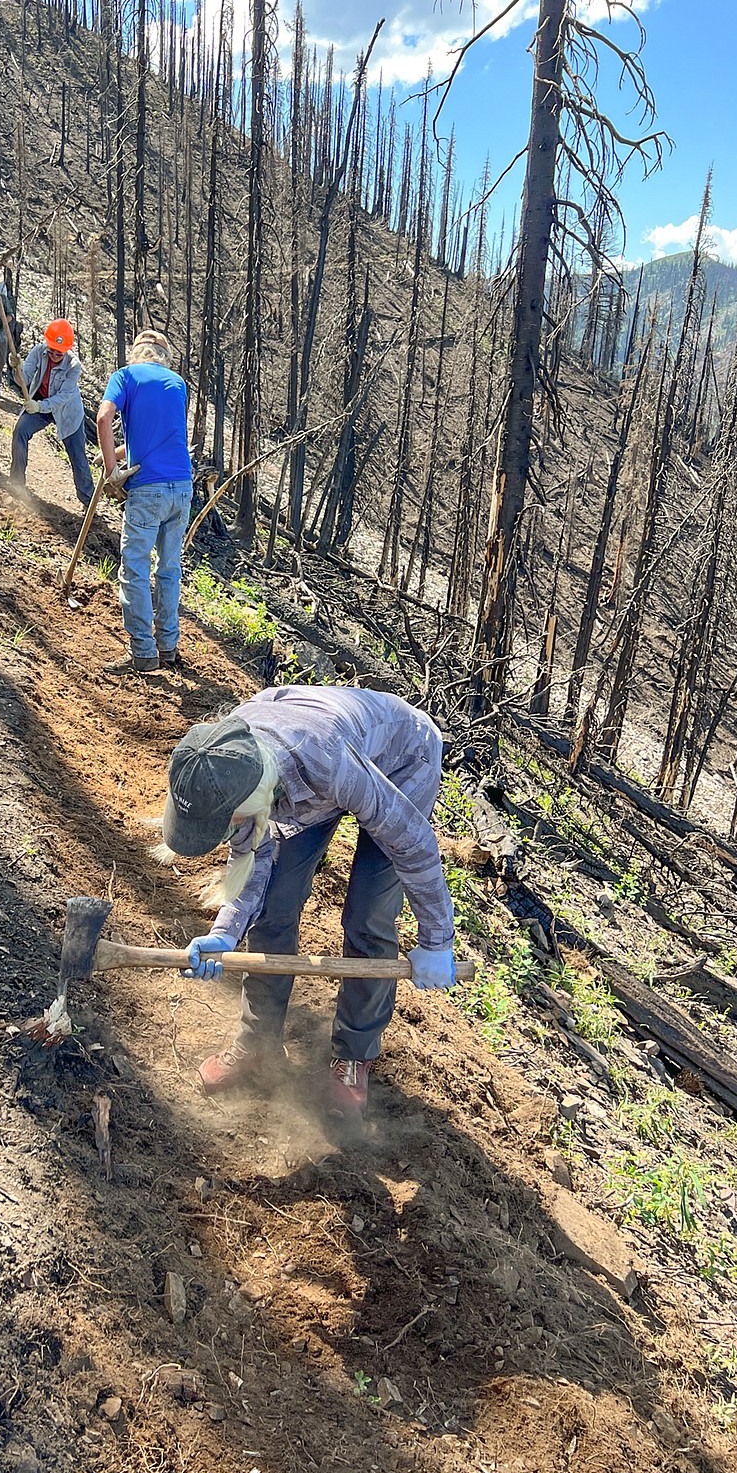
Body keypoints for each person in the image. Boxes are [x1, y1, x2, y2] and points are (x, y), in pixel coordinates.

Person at [156, 685, 459, 1122]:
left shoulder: (327, 763)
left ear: (255, 801)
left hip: (400, 757)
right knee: (274, 903)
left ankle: (354, 1053)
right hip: (310, 762)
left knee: (368, 914)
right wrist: (225, 932)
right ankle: (257, 1041)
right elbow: (251, 856)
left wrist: (437, 940)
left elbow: (412, 843)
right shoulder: (224, 761)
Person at [96, 330, 193, 677]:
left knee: (135, 569)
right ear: (163, 358)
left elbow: (104, 418)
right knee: (169, 569)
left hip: (148, 489)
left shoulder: (125, 376)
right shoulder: (178, 384)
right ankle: (167, 647)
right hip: (181, 486)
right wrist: (118, 454)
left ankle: (142, 653)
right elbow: (160, 437)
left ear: (136, 354)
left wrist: (111, 471)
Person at [11, 319, 94, 507]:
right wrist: (15, 367)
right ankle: (16, 484)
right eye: (52, 350)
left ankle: (88, 500)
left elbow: (64, 396)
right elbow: (23, 380)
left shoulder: (74, 365)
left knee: (78, 456)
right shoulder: (38, 352)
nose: (55, 355)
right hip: (38, 402)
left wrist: (40, 407)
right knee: (20, 431)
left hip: (66, 412)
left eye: (60, 352)